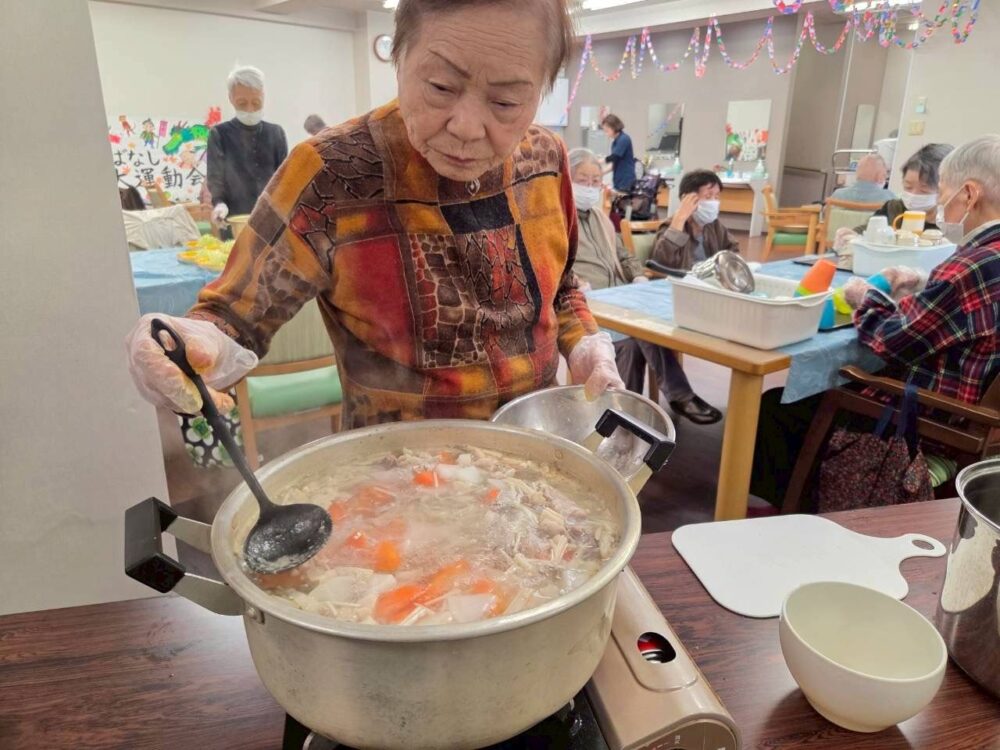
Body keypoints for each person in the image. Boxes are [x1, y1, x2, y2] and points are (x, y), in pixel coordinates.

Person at [126, 0, 623, 429]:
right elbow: (232, 318)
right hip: (394, 477)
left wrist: (584, 344)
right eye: (442, 87)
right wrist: (193, 341)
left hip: (531, 450)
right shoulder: (331, 174)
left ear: (542, 90)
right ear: (397, 56)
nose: (468, 127)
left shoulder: (545, 160)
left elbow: (561, 288)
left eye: (506, 101)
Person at [751, 135, 1000, 507]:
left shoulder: (972, 265)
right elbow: (957, 316)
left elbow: (888, 341)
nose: (939, 209)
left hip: (932, 418)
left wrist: (865, 299)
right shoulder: (984, 259)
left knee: (779, 407)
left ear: (969, 194)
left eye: (943, 195)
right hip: (974, 411)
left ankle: (789, 513)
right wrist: (927, 287)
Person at [207, 65, 289, 228]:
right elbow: (215, 178)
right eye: (242, 103)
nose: (250, 109)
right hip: (234, 220)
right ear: (231, 98)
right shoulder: (220, 134)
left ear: (263, 97)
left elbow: (285, 178)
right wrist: (219, 204)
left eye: (256, 103)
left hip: (271, 221)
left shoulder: (276, 133)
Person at [835, 143, 953, 248]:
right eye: (908, 186)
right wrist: (854, 235)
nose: (913, 195)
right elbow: (869, 230)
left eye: (924, 190)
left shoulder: (951, 223)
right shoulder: (893, 209)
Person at [568, 148, 642, 290]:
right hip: (583, 298)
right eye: (582, 181)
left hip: (616, 292)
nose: (589, 187)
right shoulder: (557, 220)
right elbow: (554, 267)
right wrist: (576, 284)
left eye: (595, 181)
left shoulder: (601, 219)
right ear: (566, 181)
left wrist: (638, 275)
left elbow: (623, 254)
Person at [650, 169, 739, 270]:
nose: (714, 202)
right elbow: (661, 262)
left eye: (716, 196)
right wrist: (680, 219)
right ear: (686, 198)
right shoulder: (670, 226)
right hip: (683, 281)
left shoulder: (713, 225)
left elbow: (732, 249)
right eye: (708, 196)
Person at [829, 154, 895, 204]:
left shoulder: (837, 196)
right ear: (880, 176)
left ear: (857, 173)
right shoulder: (889, 199)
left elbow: (825, 217)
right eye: (884, 175)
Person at [602, 114, 635, 194]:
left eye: (607, 131)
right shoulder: (615, 142)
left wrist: (599, 161)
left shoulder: (624, 139)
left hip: (625, 180)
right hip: (618, 180)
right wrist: (600, 173)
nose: (606, 134)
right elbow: (614, 164)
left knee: (622, 203)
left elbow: (614, 157)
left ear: (614, 127)